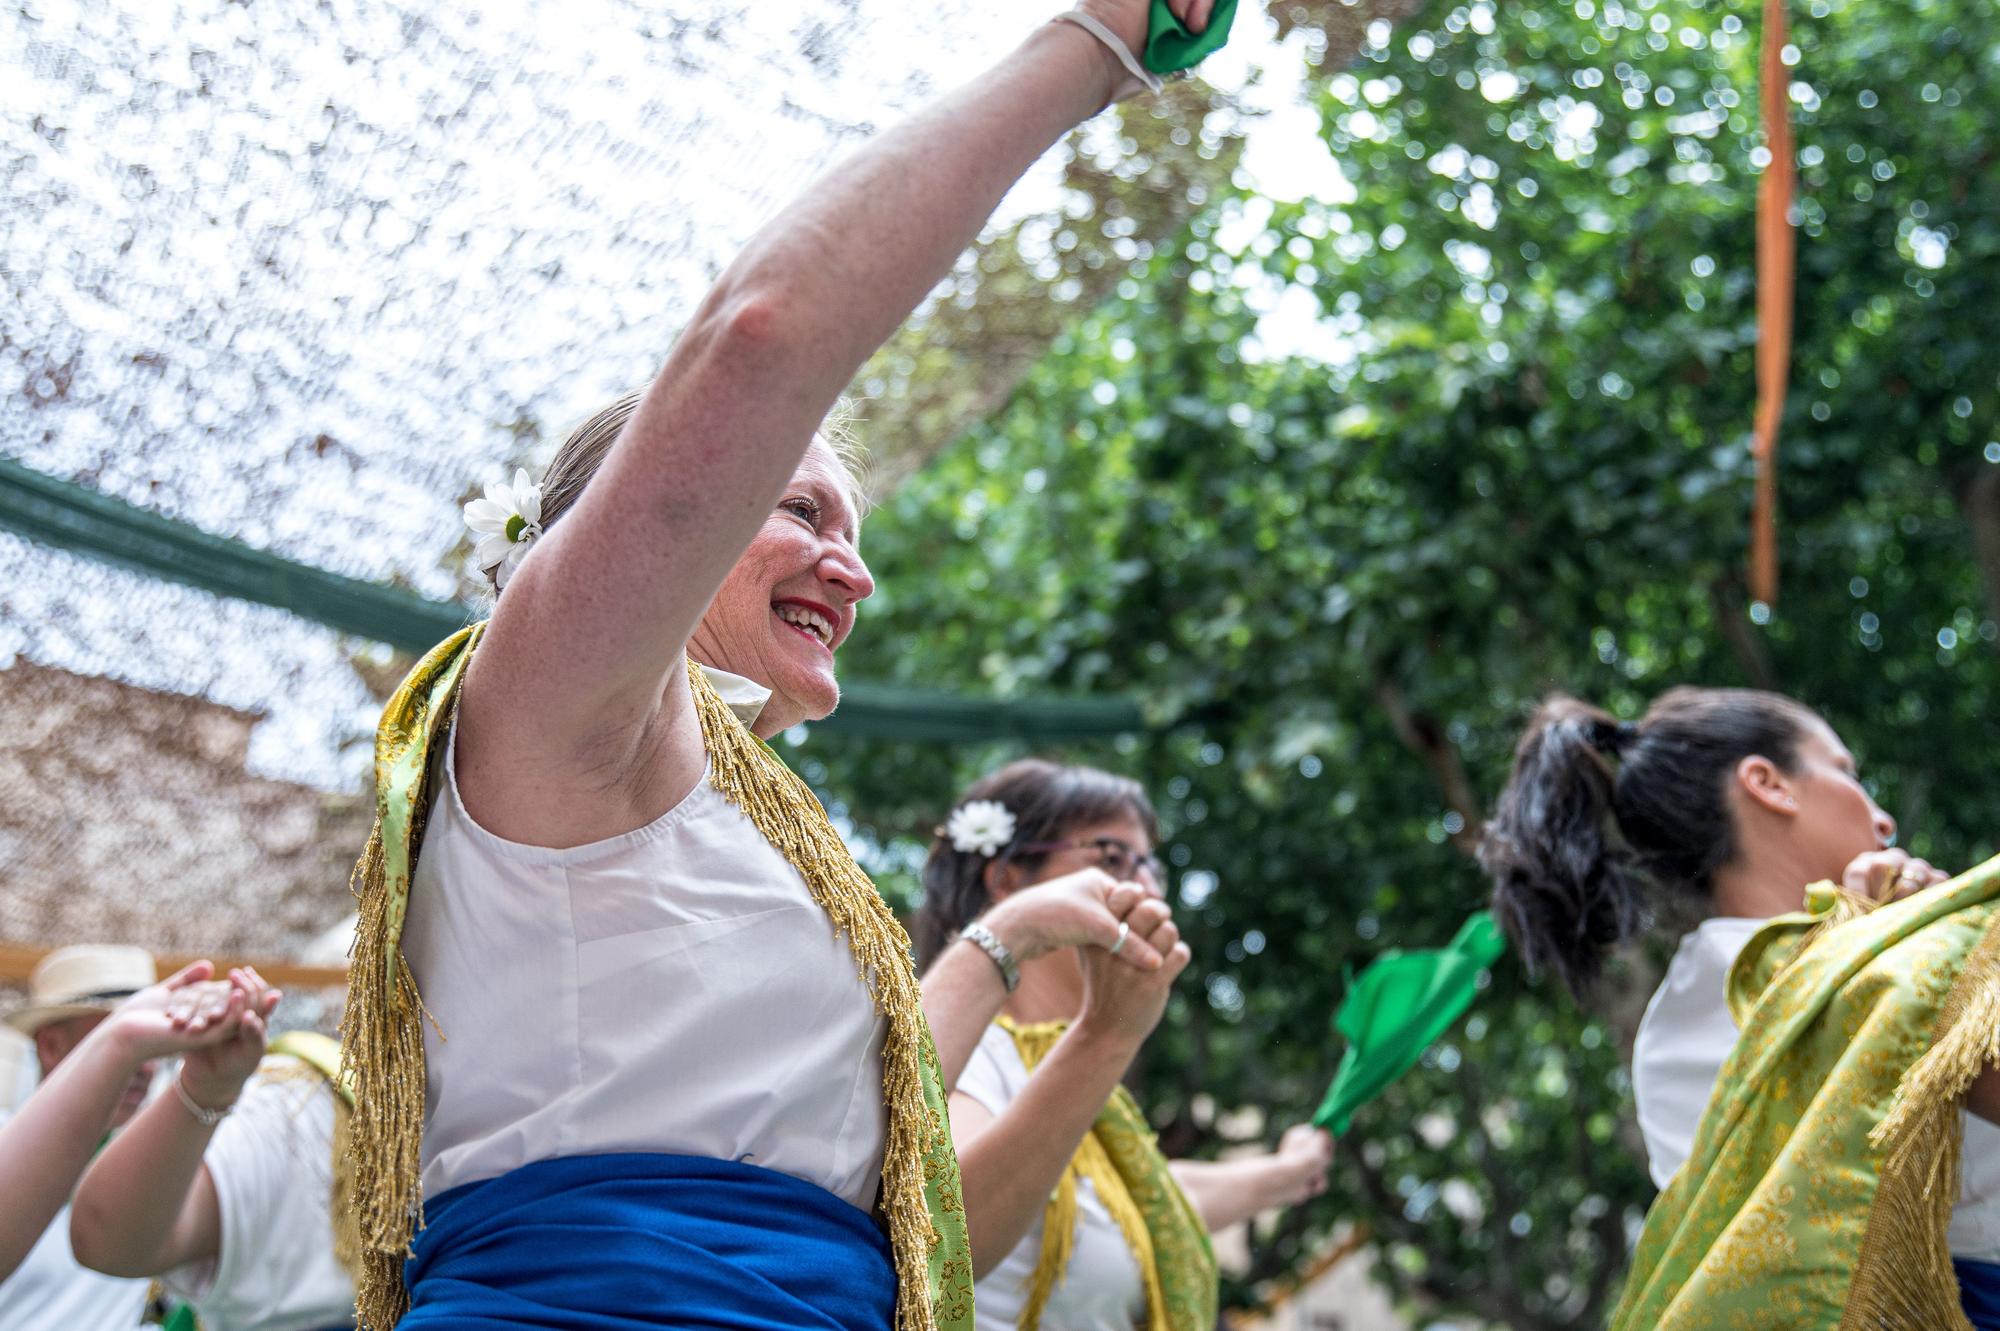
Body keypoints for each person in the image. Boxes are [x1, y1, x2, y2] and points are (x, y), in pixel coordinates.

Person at [338, 6, 1223, 1329]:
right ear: (622, 530)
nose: (851, 570)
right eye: (801, 510)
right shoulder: (557, 714)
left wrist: (1064, 988)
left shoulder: (749, 823)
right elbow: (763, 334)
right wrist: (1091, 47)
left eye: (853, 532)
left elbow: (887, 1181)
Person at [1480, 688, 2000, 1327]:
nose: (1882, 818)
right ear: (1768, 783)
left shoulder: (1663, 1045)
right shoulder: (1864, 960)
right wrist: (1941, 947)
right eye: (1845, 772)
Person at [914, 759, 1335, 1331]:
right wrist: (1104, 1037)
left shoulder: (1078, 1093)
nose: (1146, 887)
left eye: (1151, 865)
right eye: (1111, 858)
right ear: (1008, 880)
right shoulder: (966, 1048)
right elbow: (940, 1233)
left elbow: (1141, 1201)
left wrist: (1289, 1173)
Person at [70, 969, 358, 1331]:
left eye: (152, 1041)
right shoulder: (283, 1106)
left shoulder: (289, 1106)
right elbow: (103, 1238)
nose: (143, 1067)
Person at [0, 945, 240, 1328]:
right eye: (126, 1038)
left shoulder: (160, 1157)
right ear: (49, 1045)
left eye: (159, 1038)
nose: (146, 1065)